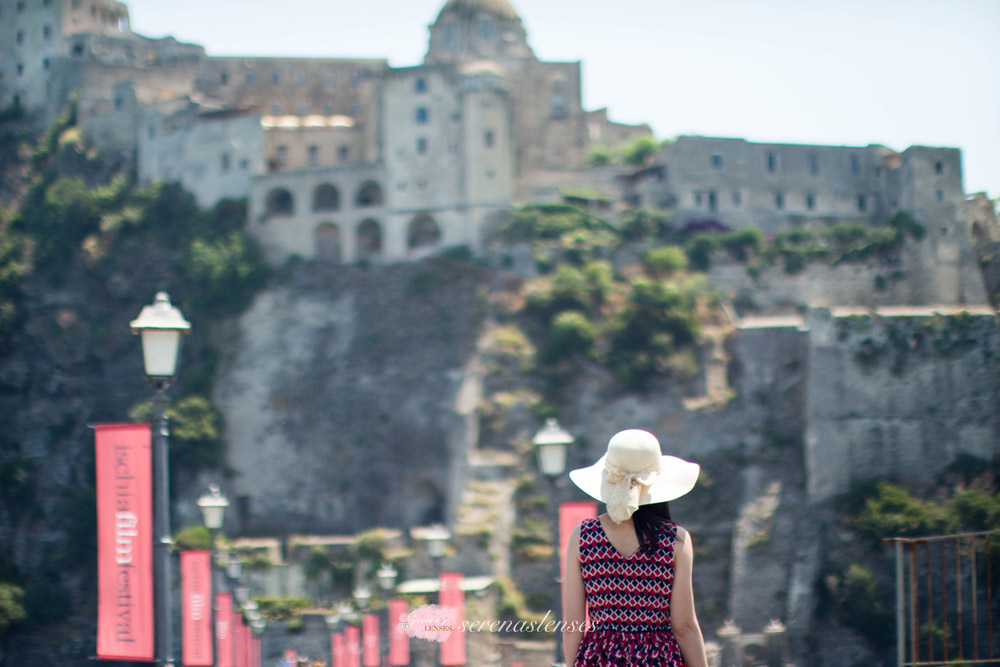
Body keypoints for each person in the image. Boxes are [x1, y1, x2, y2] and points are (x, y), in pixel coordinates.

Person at [562, 429, 709, 667]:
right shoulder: (675, 540)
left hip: (600, 659)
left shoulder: (583, 536)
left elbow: (572, 626)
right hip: (659, 659)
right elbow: (684, 626)